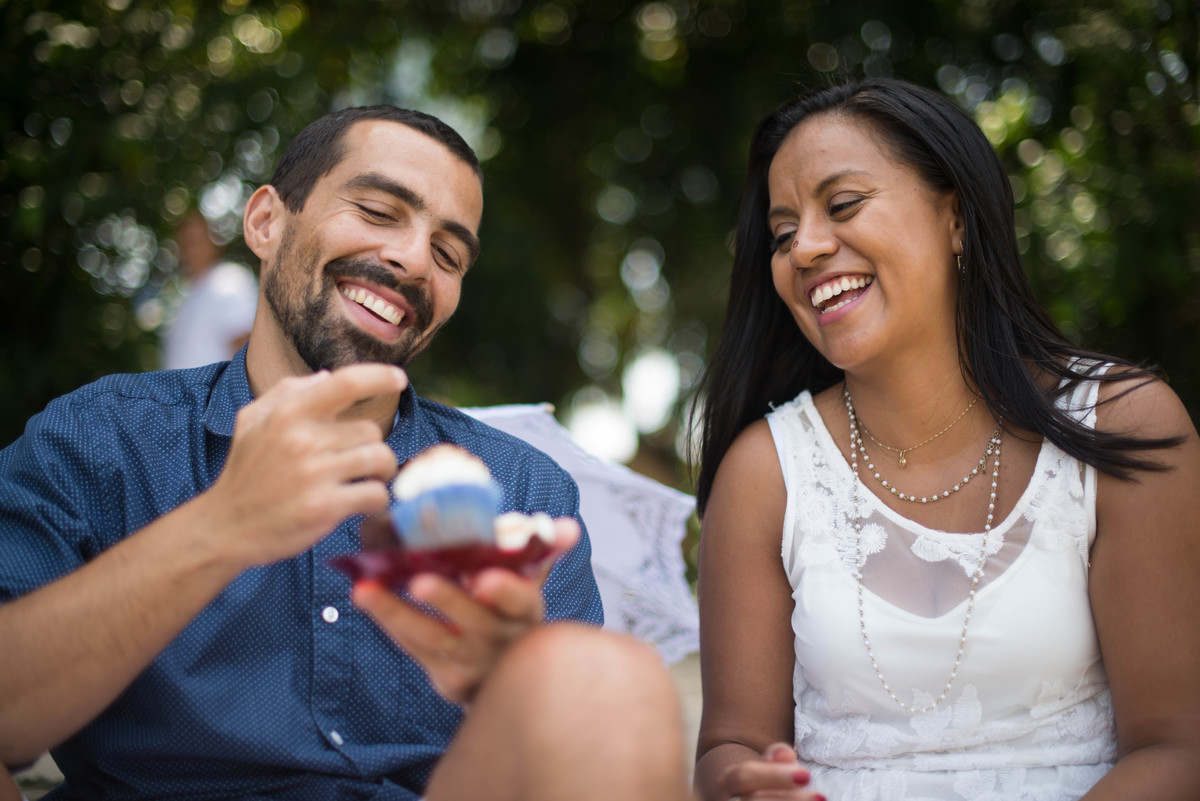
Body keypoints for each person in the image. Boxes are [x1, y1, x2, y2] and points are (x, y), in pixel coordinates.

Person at [0, 105, 690, 801]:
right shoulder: (103, 436)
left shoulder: (521, 488)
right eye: (380, 211)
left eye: (448, 253)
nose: (414, 259)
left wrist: (512, 681)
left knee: (612, 684)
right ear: (267, 222)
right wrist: (218, 527)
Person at [692, 79, 1200, 800]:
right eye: (781, 233)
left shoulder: (1124, 423)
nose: (803, 247)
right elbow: (729, 746)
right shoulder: (765, 471)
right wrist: (741, 781)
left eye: (841, 205)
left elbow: (1177, 748)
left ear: (955, 217)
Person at [161, 209, 259, 370]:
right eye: (183, 243)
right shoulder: (184, 298)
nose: (188, 251)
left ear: (214, 243)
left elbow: (243, 349)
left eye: (194, 241)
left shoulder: (229, 280)